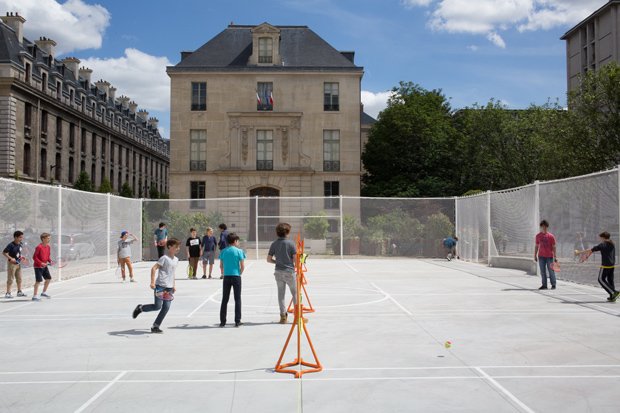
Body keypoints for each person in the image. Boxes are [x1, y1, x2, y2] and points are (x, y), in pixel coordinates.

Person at [132, 238, 180, 333]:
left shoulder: (176, 260)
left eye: (178, 247)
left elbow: (172, 273)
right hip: (160, 286)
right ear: (170, 247)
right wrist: (152, 282)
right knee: (157, 306)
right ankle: (140, 308)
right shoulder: (164, 258)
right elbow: (154, 268)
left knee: (166, 307)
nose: (178, 248)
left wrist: (174, 285)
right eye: (176, 247)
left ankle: (155, 326)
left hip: (169, 288)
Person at [267, 223, 298, 324]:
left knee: (281, 295)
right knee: (295, 293)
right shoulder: (291, 243)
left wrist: (278, 262)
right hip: (289, 271)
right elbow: (295, 259)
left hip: (278, 271)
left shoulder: (274, 243)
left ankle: (283, 316)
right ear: (287, 232)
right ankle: (297, 316)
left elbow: (268, 259)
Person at [576, 231, 619, 302]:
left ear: (603, 238)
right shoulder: (612, 243)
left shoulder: (603, 244)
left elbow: (590, 250)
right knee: (610, 280)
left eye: (600, 238)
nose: (600, 239)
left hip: (605, 265)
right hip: (612, 264)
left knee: (601, 279)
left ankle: (614, 292)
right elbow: (592, 251)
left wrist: (579, 252)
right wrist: (586, 256)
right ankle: (612, 296)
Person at [219, 233, 246, 327]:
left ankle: (223, 321)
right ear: (235, 241)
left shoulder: (223, 251)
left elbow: (221, 266)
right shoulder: (239, 251)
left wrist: (223, 273)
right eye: (237, 241)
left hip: (226, 277)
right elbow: (242, 266)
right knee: (237, 298)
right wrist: (239, 273)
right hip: (236, 276)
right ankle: (237, 321)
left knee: (225, 299)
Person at [534, 219, 557, 290]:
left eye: (545, 226)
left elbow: (554, 247)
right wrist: (535, 255)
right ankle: (544, 285)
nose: (544, 228)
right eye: (542, 226)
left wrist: (555, 256)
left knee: (551, 271)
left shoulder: (551, 236)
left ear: (547, 227)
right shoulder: (538, 236)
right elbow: (537, 246)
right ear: (541, 227)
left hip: (549, 256)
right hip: (541, 256)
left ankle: (553, 284)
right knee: (542, 271)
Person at [3, 230, 26, 299]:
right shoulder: (11, 245)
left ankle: (19, 292)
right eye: (20, 237)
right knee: (10, 279)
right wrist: (10, 258)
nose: (21, 238)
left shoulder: (20, 244)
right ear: (15, 237)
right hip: (12, 264)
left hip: (18, 263)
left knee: (19, 278)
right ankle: (8, 293)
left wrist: (21, 257)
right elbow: (4, 253)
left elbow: (18, 252)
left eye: (22, 237)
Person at [32, 232, 53, 301]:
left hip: (44, 266)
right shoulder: (39, 247)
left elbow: (47, 256)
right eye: (47, 238)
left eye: (49, 238)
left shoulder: (48, 247)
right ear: (43, 239)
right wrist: (41, 263)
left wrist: (50, 261)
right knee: (38, 281)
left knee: (48, 279)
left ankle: (44, 292)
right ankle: (34, 296)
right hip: (38, 267)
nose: (49, 239)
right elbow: (34, 257)